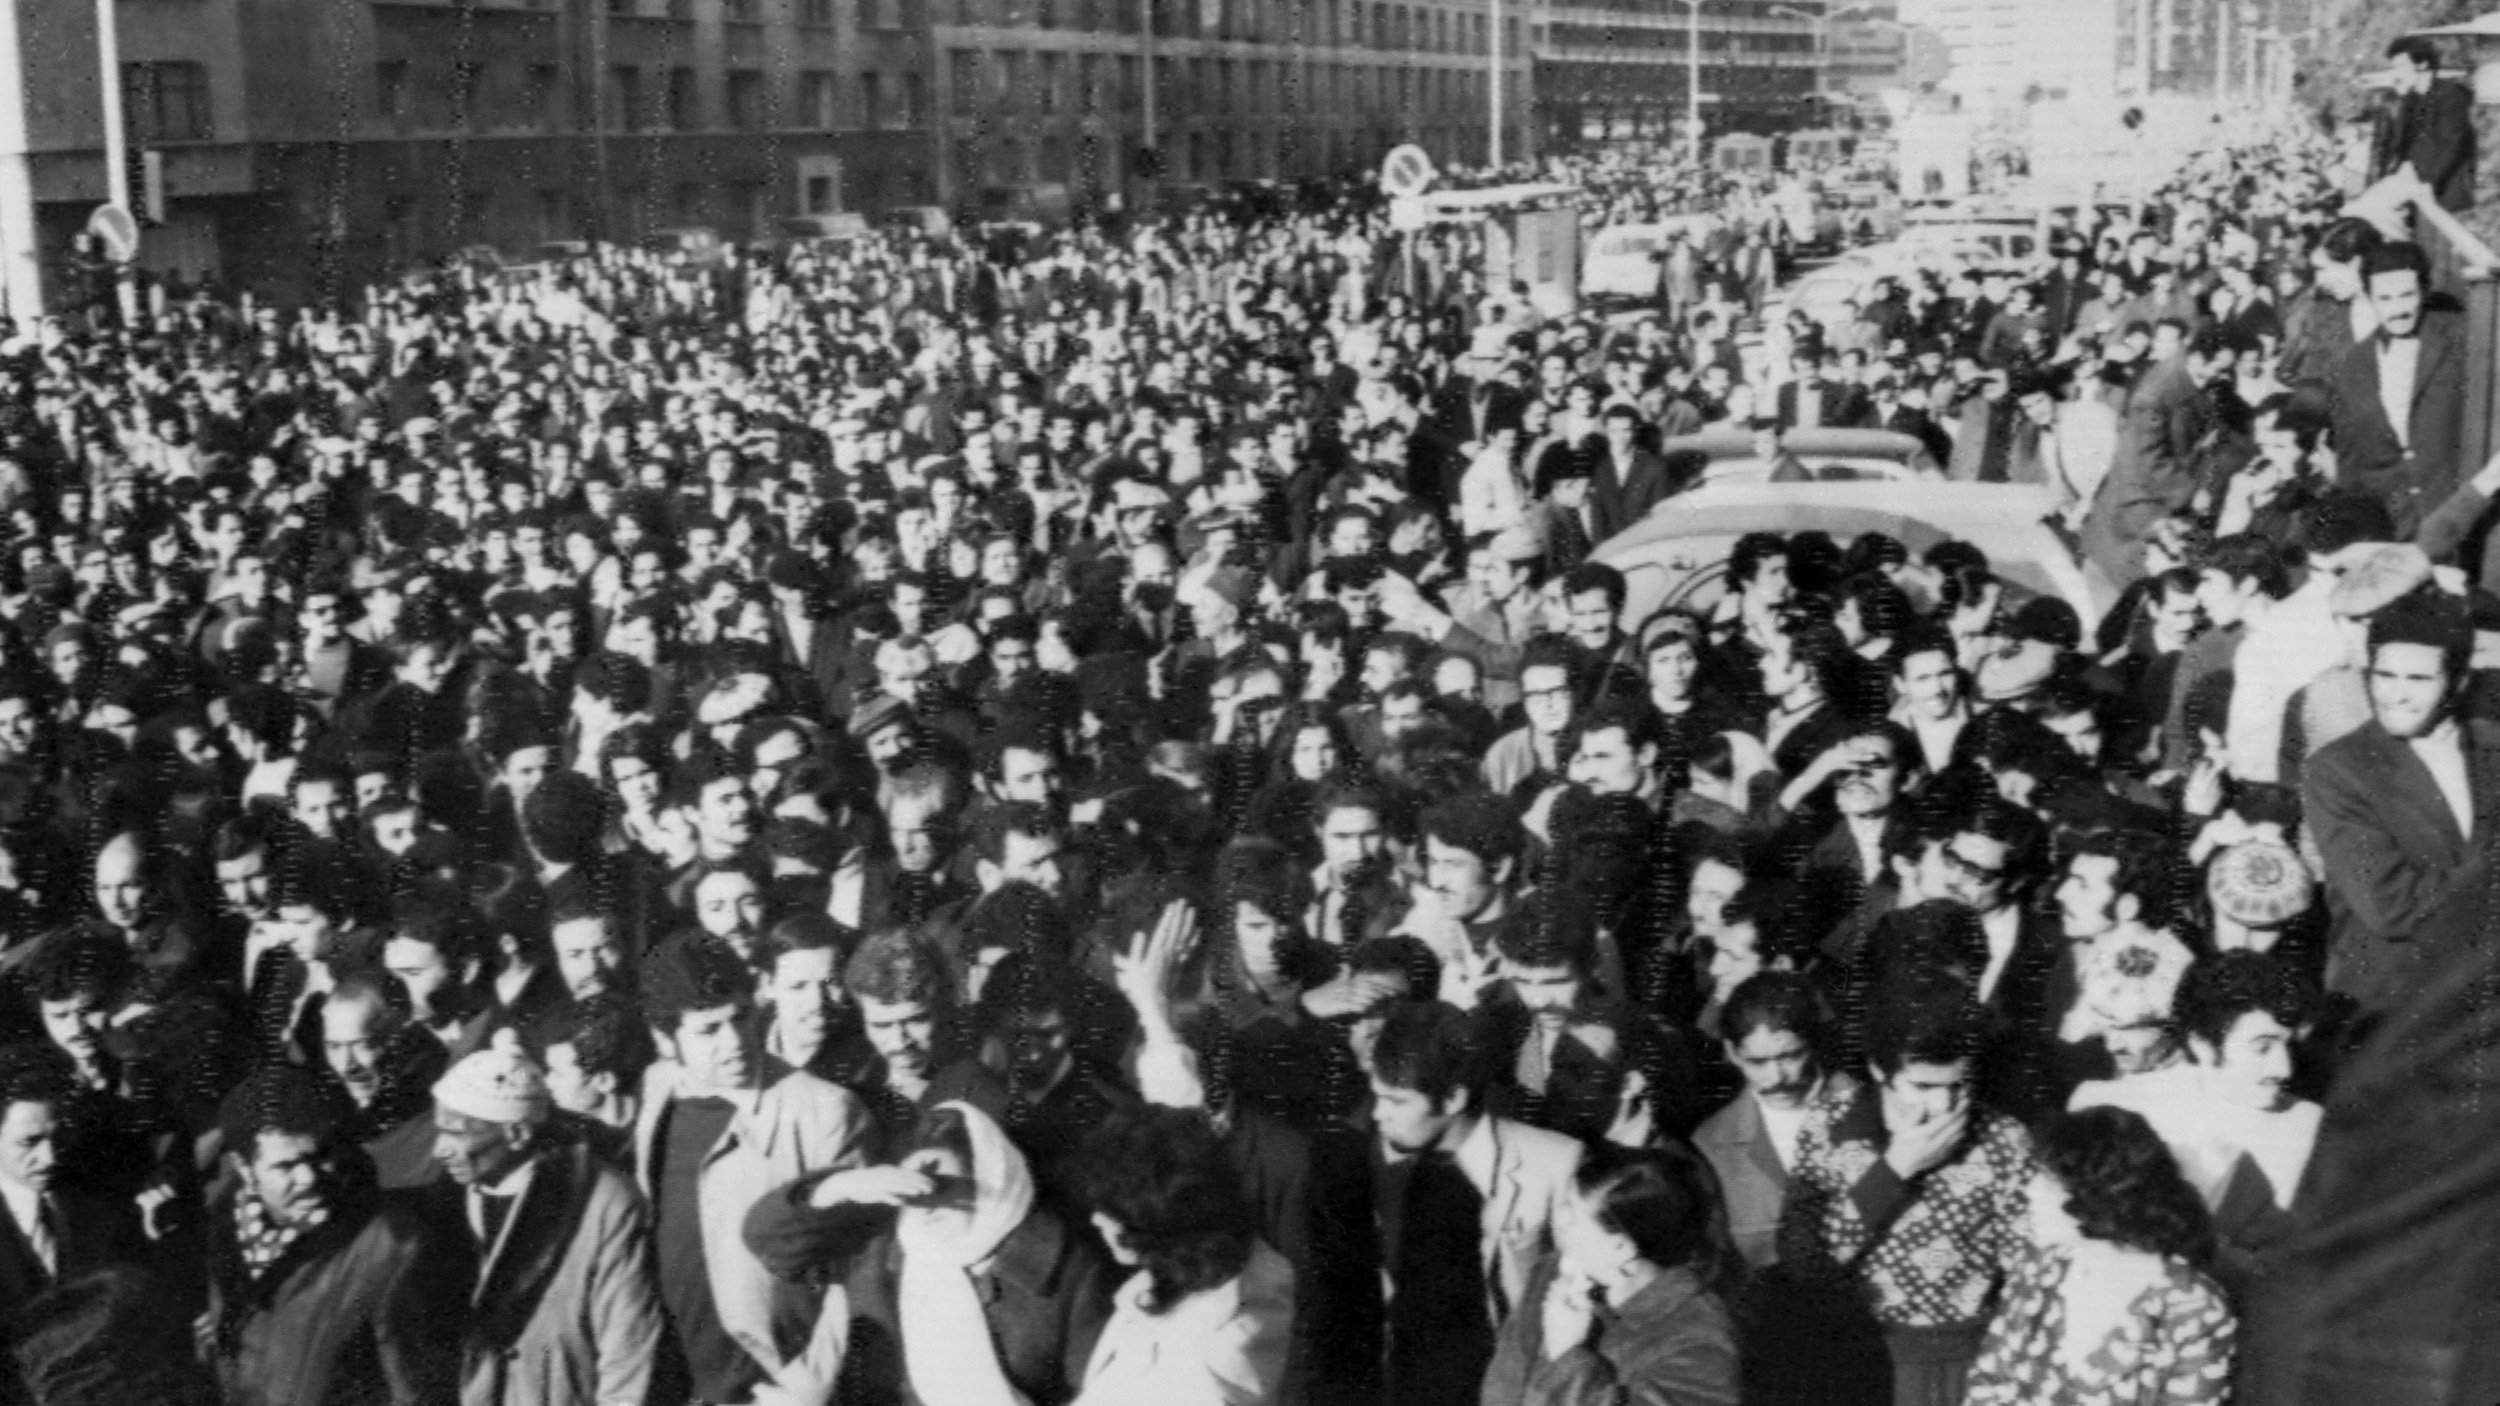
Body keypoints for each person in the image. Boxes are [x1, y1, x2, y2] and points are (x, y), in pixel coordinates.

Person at [742, 1099, 1117, 1406]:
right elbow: (769, 1241)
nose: (923, 1198)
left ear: (990, 1175)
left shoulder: (1068, 1268)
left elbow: (1101, 1392)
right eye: (912, 1183)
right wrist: (838, 1187)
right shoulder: (879, 1254)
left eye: (939, 1181)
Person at [1779, 988, 2037, 1406]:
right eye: (1922, 1086)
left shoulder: (2003, 1138)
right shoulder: (1829, 1126)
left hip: (1971, 1360)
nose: (1944, 1104)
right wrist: (1893, 1170)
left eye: (1959, 1085)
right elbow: (1806, 1261)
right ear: (1879, 1070)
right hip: (1863, 1360)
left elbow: (2029, 1276)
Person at [428, 1030, 663, 1406]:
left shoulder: (603, 1203)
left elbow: (627, 1347)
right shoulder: (448, 1199)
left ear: (518, 1133)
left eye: (455, 1133)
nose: (439, 1149)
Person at [203, 1066, 461, 1406]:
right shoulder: (227, 1229)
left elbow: (414, 1390)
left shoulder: (394, 1244)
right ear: (244, 1169)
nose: (309, 1178)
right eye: (285, 1166)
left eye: (320, 1156)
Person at [1368, 1000, 1582, 1406]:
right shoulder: (1378, 1163)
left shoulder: (1555, 1164)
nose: (1378, 1114)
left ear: (1452, 1099)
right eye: (1376, 1096)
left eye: (1396, 1101)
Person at [2302, 589, 2500, 1020]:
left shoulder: (2492, 747)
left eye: (2419, 680)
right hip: (2389, 1010)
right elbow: (2391, 905)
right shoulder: (2340, 770)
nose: (2396, 695)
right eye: (2383, 676)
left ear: (2459, 681)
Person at [1965, 1106, 2235, 1404]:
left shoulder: (2192, 1306)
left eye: (2046, 1179)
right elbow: (1987, 1383)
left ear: (2094, 1195)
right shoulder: (2037, 1272)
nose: (2029, 1191)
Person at [1479, 1144, 1741, 1406]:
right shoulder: (1551, 1274)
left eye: (1570, 1213)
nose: (1556, 1220)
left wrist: (1566, 1355)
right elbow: (1501, 1389)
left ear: (1622, 1247)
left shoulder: (1699, 1340)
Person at [1069, 1105, 1295, 1406]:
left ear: (1156, 1223)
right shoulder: (1192, 1271)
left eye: (1110, 1211)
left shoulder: (1217, 1356)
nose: (1096, 1220)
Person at [1694, 972, 1854, 1271]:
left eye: (1791, 1056)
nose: (1776, 1078)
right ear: (1732, 1053)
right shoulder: (1713, 1143)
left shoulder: (1860, 1105)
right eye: (1757, 1062)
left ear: (1813, 1042)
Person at [2376, 36, 2477, 212]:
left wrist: (2429, 184)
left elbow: (2452, 146)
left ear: (2422, 64)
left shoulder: (2449, 95)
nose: (2396, 74)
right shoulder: (2410, 100)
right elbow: (2401, 148)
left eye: (2400, 67)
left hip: (2442, 195)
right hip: (2413, 190)